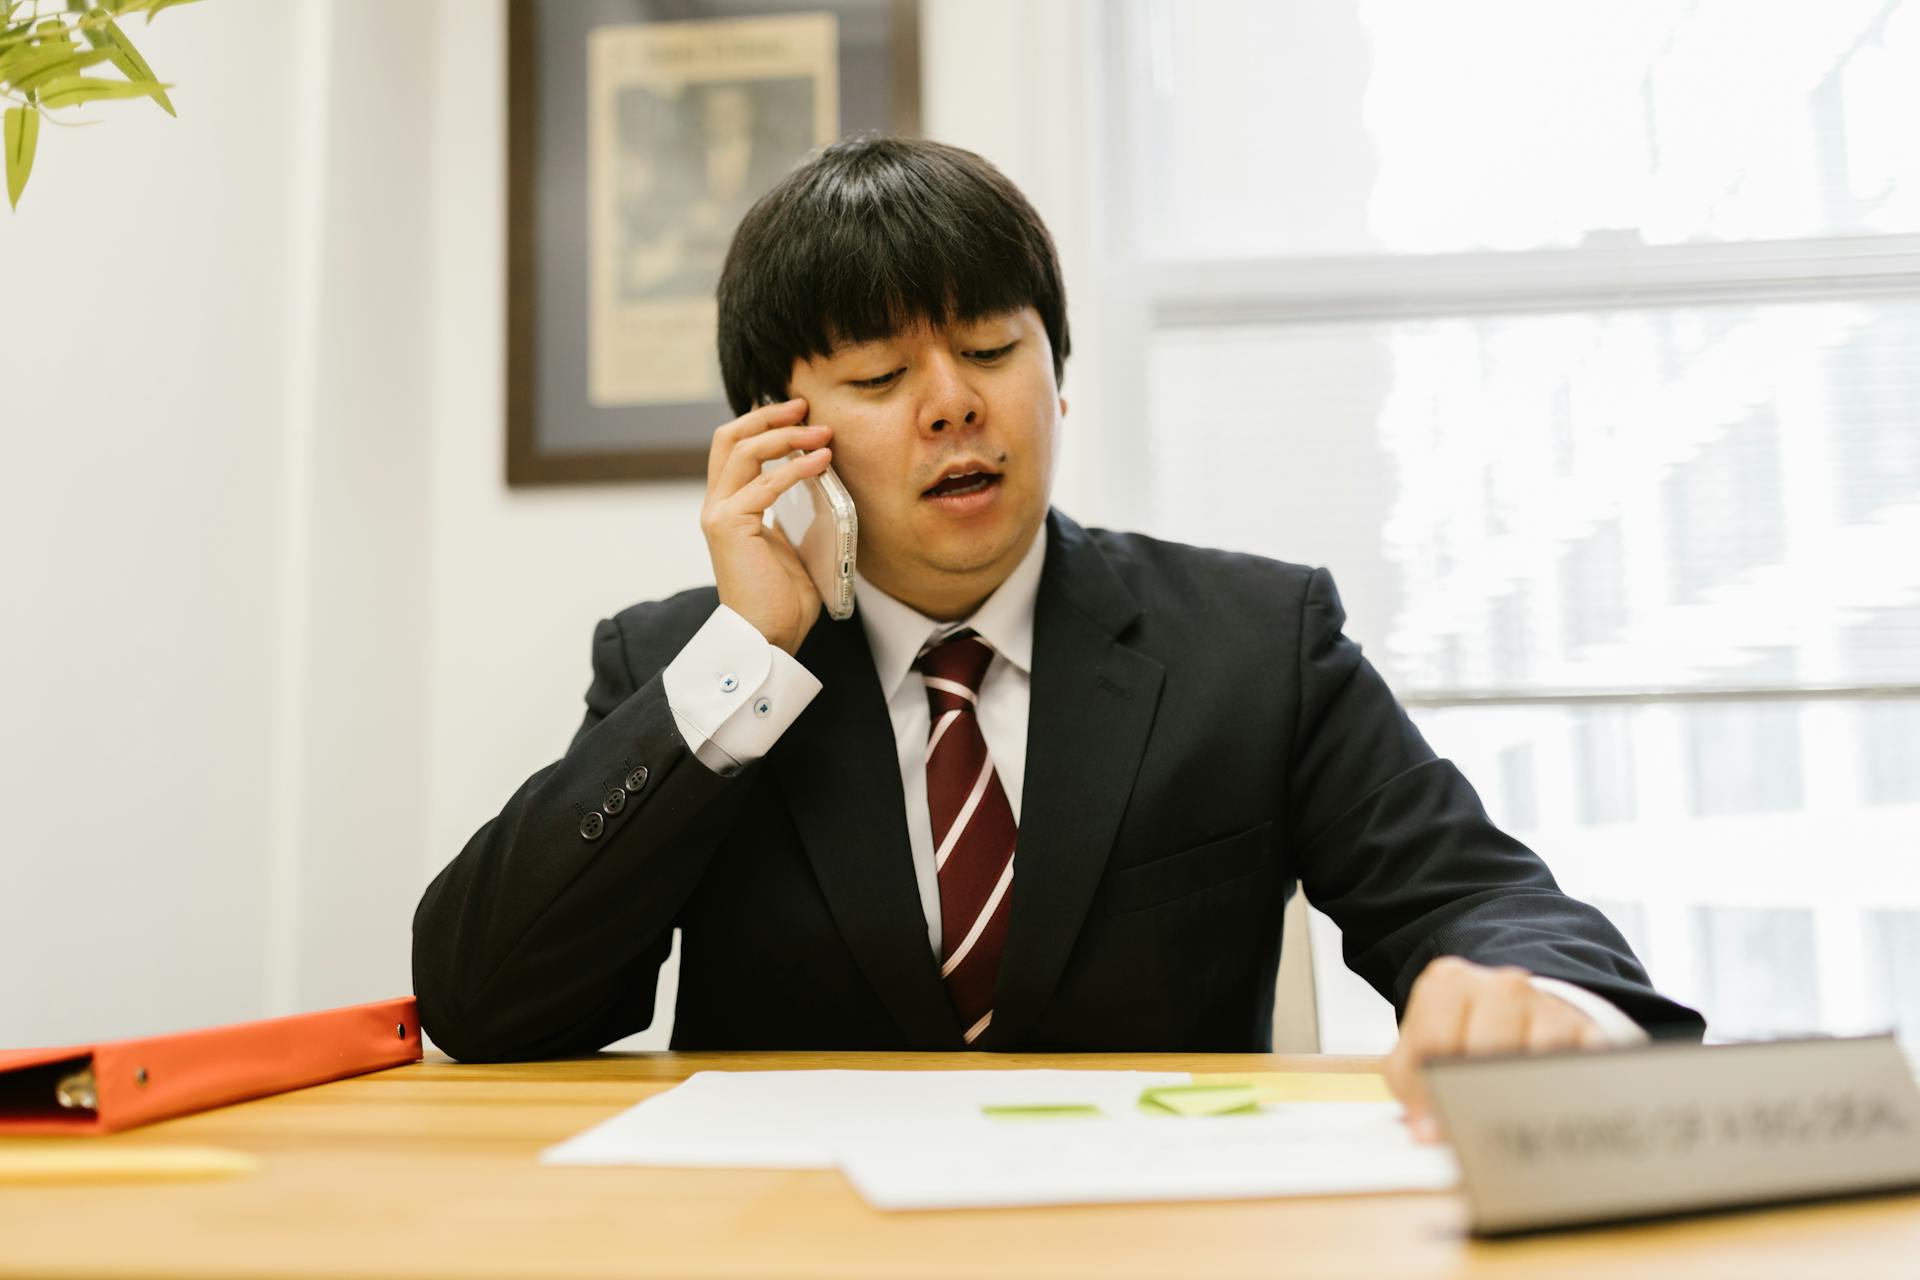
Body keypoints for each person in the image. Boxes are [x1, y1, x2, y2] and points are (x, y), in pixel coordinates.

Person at [413, 136, 1703, 1135]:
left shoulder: (1257, 641)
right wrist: (748, 653)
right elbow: (489, 1003)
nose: (953, 406)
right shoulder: (690, 669)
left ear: (1059, 373)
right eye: (878, 378)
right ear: (782, 431)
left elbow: (1484, 898)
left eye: (989, 347)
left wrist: (1540, 1008)